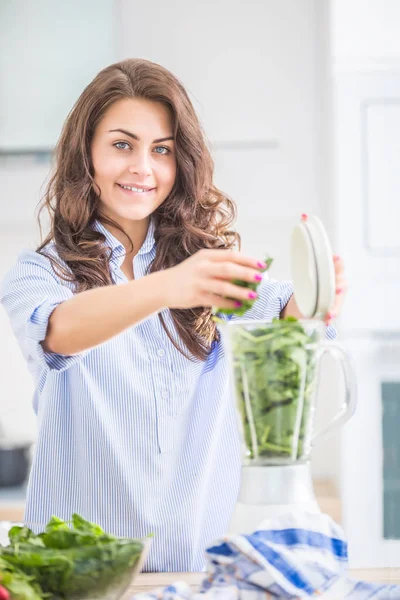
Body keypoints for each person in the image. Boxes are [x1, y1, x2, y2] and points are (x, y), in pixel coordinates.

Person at [0, 59, 346, 572]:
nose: (143, 167)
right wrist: (167, 287)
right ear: (86, 155)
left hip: (188, 575)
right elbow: (58, 331)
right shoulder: (42, 271)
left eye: (161, 149)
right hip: (73, 579)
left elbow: (288, 322)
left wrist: (318, 295)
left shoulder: (211, 273)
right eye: (122, 145)